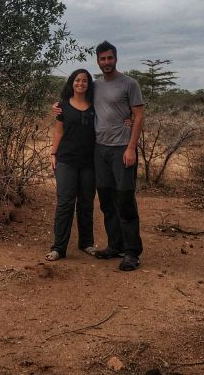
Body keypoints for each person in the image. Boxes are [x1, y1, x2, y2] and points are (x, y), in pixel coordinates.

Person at [53, 41, 145, 271]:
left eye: (109, 58)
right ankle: (115, 245)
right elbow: (76, 100)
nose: (106, 62)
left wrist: (132, 147)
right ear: (98, 60)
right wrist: (58, 107)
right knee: (105, 200)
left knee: (124, 198)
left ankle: (131, 252)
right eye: (102, 59)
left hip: (122, 148)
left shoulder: (129, 84)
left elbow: (139, 116)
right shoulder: (96, 86)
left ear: (116, 58)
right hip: (99, 150)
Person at [45, 69, 99, 261]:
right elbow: (58, 132)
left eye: (85, 81)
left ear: (88, 84)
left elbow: (112, 116)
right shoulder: (62, 106)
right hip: (66, 160)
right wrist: (53, 153)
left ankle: (86, 243)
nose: (81, 84)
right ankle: (58, 248)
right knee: (65, 204)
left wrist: (127, 119)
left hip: (90, 162)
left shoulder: (96, 106)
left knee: (86, 204)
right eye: (77, 80)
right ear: (72, 82)